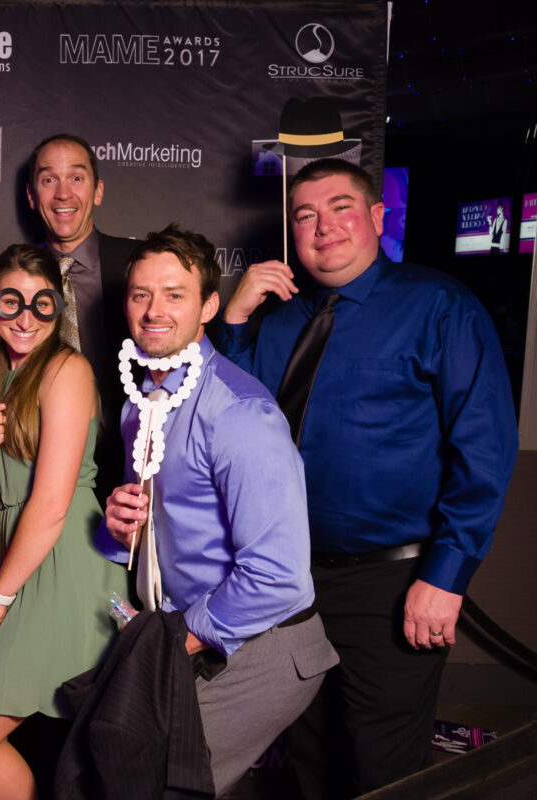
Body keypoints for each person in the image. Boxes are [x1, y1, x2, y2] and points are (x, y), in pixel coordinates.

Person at [215, 158, 518, 797]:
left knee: (386, 772)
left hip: (393, 582)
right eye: (306, 216)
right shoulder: (278, 321)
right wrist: (236, 326)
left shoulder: (439, 306)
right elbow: (231, 420)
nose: (324, 227)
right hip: (288, 581)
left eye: (341, 208)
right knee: (311, 760)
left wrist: (444, 574)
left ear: (378, 218)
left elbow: (484, 449)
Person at [99, 224, 337, 795]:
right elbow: (159, 531)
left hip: (261, 642)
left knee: (153, 782)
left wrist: (172, 642)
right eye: (140, 294)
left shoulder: (238, 414)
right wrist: (114, 528)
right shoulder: (143, 405)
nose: (154, 310)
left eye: (174, 294)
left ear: (209, 305)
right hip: (192, 630)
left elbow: (279, 579)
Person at [0, 244, 127, 800]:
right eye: (11, 303)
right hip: (16, 553)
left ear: (58, 310)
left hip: (61, 562)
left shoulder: (67, 368)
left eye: (42, 306)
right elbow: (3, 499)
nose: (26, 318)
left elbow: (51, 505)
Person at [26, 133, 135, 499]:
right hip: (40, 472)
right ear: (31, 196)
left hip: (132, 474)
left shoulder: (138, 265)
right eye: (48, 180)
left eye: (76, 178)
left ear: (98, 191)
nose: (63, 193)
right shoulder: (14, 281)